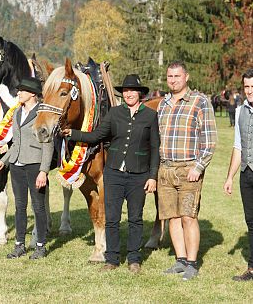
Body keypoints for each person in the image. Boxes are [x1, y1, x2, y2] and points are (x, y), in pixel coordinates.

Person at [63, 74, 160, 274]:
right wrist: (73, 134)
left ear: (140, 94)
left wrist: (152, 176)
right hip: (114, 174)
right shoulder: (115, 113)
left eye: (133, 91)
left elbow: (155, 148)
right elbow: (96, 136)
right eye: (125, 91)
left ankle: (134, 259)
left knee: (135, 218)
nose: (129, 94)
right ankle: (112, 259)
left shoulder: (150, 116)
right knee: (113, 218)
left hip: (139, 175)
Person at [157, 61, 217, 281]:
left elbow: (210, 141)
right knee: (172, 217)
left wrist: (198, 167)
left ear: (186, 77)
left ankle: (192, 263)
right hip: (166, 169)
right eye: (170, 76)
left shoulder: (199, 102)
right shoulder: (163, 104)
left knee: (188, 216)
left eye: (177, 76)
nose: (173, 80)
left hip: (188, 169)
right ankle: (180, 260)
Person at [0, 77, 53, 260]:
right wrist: (4, 162)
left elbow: (48, 145)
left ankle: (40, 246)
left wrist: (43, 171)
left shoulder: (42, 114)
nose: (18, 93)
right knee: (20, 206)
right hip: (17, 165)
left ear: (32, 93)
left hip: (35, 166)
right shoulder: (17, 113)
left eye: (22, 90)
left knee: (38, 207)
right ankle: (19, 245)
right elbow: (16, 143)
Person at [224, 68, 253, 281]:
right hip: (246, 173)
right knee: (251, 222)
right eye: (247, 87)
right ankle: (252, 269)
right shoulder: (240, 110)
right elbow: (238, 146)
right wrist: (230, 177)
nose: (250, 91)